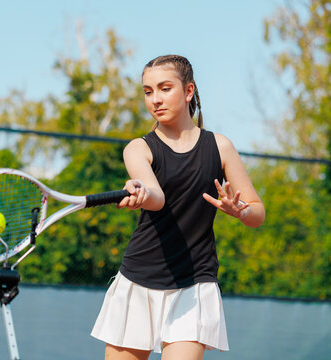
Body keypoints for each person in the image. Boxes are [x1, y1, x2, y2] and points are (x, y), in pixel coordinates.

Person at [91, 54, 266, 360]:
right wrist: (142, 192)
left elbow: (257, 213)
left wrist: (241, 211)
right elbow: (156, 196)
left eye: (164, 88)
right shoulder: (138, 148)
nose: (155, 99)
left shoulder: (220, 147)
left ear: (188, 91)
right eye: (148, 91)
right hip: (138, 282)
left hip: (194, 285)